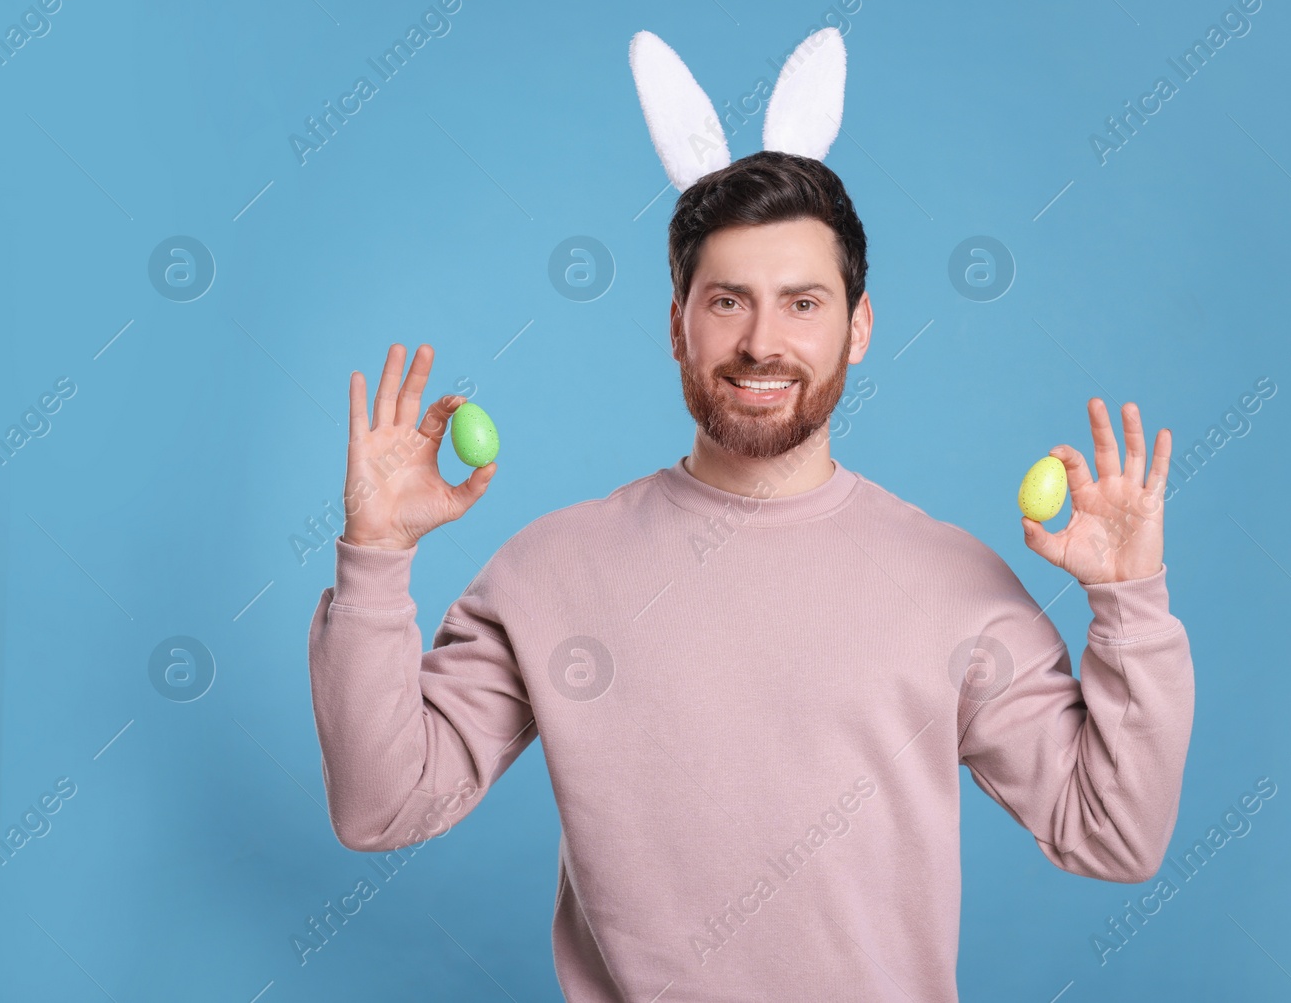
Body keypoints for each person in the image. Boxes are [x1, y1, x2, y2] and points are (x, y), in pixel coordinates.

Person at [308, 150, 1194, 1001]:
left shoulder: (955, 583)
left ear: (861, 326)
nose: (762, 342)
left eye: (802, 302)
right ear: (676, 323)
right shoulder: (552, 570)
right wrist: (377, 559)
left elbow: (1114, 834)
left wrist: (1131, 605)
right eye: (727, 300)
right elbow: (382, 808)